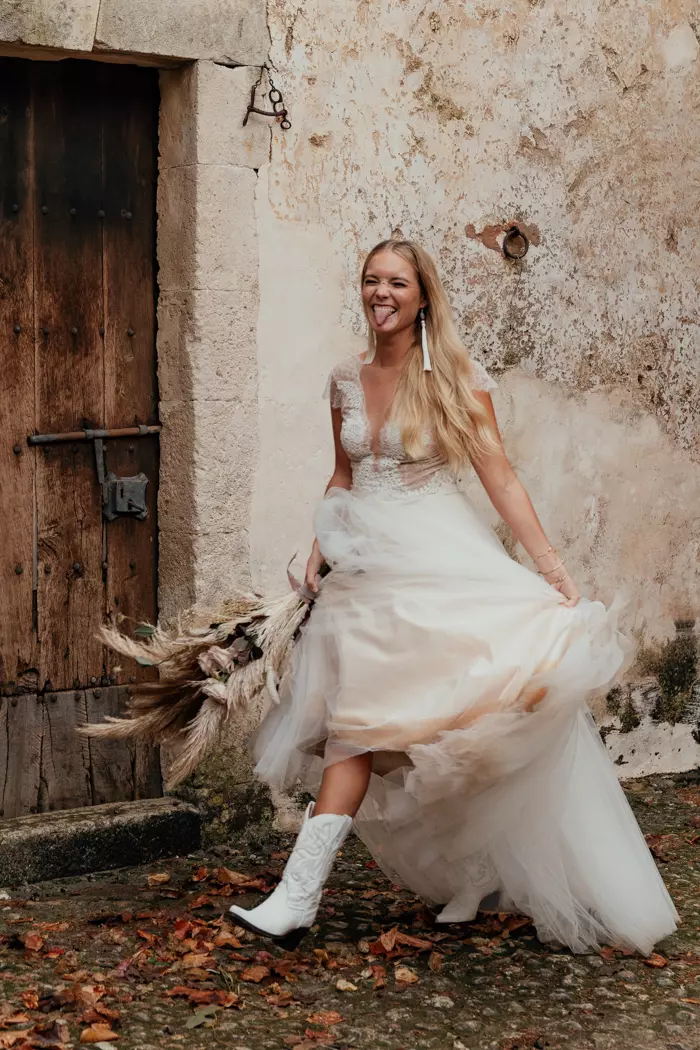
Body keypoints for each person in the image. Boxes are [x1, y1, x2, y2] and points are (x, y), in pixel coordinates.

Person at [230, 239, 678, 955]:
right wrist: (317, 547)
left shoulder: (455, 376)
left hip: (435, 567)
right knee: (381, 733)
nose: (382, 293)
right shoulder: (345, 376)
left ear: (422, 296)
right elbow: (342, 473)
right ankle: (467, 873)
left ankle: (298, 898)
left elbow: (499, 476)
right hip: (361, 575)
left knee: (406, 729)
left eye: (397, 283)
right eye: (372, 281)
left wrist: (551, 565)